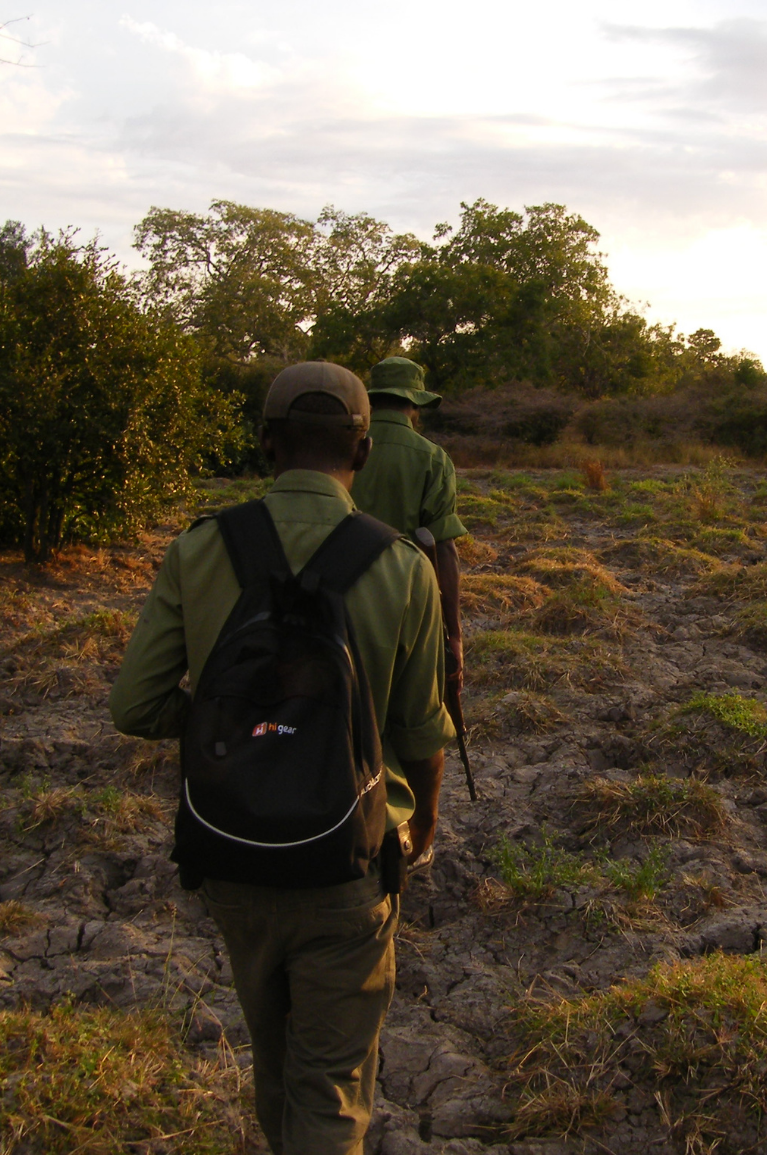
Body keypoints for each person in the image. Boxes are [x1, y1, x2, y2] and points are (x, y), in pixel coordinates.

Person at [109, 361, 455, 1155]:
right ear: (362, 452)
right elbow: (420, 727)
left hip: (229, 852)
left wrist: (238, 725)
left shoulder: (201, 547)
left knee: (274, 1063)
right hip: (350, 860)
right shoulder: (402, 565)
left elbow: (134, 705)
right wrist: (422, 823)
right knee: (331, 1086)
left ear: (265, 443)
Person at [351, 356, 467, 696]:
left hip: (338, 602)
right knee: (416, 713)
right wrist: (454, 635)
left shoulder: (346, 448)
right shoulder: (432, 457)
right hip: (410, 604)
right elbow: (443, 548)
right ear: (414, 403)